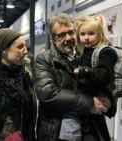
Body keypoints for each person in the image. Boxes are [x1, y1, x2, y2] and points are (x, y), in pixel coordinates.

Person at [34, 13, 112, 141]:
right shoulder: (44, 60)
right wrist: (90, 103)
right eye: (61, 35)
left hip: (90, 129)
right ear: (53, 39)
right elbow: (47, 93)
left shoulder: (90, 54)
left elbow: (106, 79)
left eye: (71, 32)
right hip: (57, 132)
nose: (68, 38)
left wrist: (110, 101)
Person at [58, 15, 118, 141]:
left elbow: (104, 76)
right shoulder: (86, 50)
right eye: (82, 34)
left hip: (95, 108)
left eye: (91, 33)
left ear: (100, 34)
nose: (86, 37)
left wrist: (85, 71)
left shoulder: (105, 52)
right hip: (86, 107)